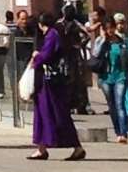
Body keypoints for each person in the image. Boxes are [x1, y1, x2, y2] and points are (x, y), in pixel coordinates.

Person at [27, 13, 85, 161]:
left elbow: (46, 55)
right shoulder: (54, 34)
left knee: (55, 113)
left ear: (41, 24)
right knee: (44, 113)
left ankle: (75, 147)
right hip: (47, 81)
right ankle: (41, 147)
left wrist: (36, 56)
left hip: (50, 82)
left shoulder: (51, 35)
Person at [96, 19, 128, 143]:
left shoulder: (122, 42)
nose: (109, 31)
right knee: (112, 106)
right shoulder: (101, 42)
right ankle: (117, 131)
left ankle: (123, 134)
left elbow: (127, 61)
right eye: (107, 28)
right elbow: (95, 55)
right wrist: (102, 40)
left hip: (120, 77)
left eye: (111, 28)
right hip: (106, 78)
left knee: (120, 104)